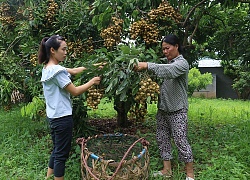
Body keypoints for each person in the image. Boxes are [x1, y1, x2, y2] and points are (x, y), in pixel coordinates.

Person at [38, 35, 101, 180]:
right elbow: (75, 91)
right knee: (61, 154)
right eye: (63, 49)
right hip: (62, 118)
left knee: (57, 150)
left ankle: (48, 177)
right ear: (53, 50)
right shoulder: (57, 72)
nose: (66, 52)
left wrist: (95, 67)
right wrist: (92, 81)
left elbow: (73, 71)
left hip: (53, 117)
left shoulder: (48, 68)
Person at [134, 34, 195, 180]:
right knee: (162, 139)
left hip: (178, 110)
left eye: (167, 48)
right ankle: (167, 170)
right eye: (163, 49)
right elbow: (160, 69)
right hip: (163, 109)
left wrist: (147, 65)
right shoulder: (164, 62)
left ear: (176, 46)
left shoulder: (181, 64)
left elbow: (168, 71)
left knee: (180, 140)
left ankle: (190, 174)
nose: (165, 51)